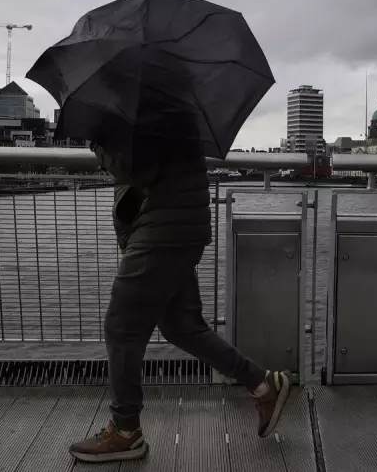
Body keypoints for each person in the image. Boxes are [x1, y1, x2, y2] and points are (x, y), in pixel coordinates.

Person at [68, 128, 291, 464]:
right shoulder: (170, 98)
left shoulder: (144, 105)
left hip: (160, 228)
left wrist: (100, 143)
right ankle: (261, 383)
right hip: (180, 224)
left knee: (122, 328)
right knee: (182, 326)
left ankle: (126, 431)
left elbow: (134, 168)